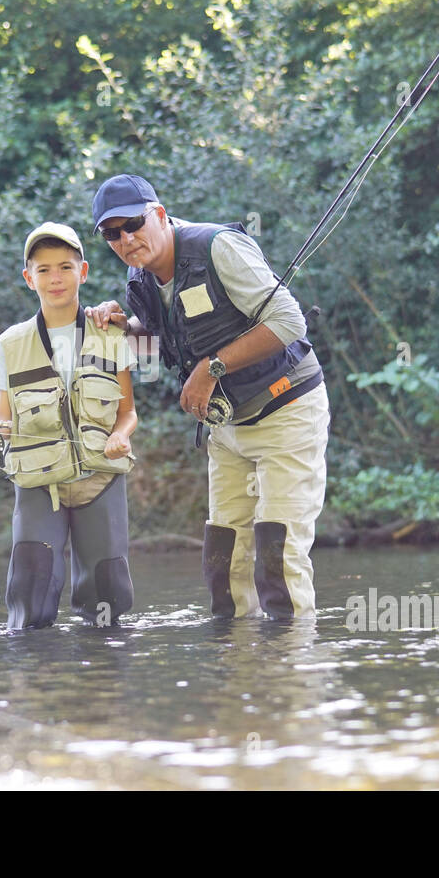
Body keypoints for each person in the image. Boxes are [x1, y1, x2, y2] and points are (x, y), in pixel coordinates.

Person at [86, 174, 329, 620]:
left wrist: (211, 367)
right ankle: (235, 678)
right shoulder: (138, 276)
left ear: (159, 215)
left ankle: (291, 677)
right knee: (223, 561)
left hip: (286, 407)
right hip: (227, 425)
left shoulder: (218, 247)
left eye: (134, 224)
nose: (126, 239)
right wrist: (124, 326)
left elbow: (291, 322)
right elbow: (157, 352)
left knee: (277, 553)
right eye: (111, 233)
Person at [0, 222, 139, 629]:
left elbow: (128, 411)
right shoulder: (10, 343)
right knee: (31, 589)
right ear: (29, 279)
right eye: (43, 270)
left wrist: (120, 435)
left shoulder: (112, 333)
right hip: (36, 483)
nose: (55, 278)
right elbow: (3, 421)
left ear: (83, 272)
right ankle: (33, 679)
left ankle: (104, 678)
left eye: (64, 267)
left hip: (101, 478)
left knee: (107, 597)